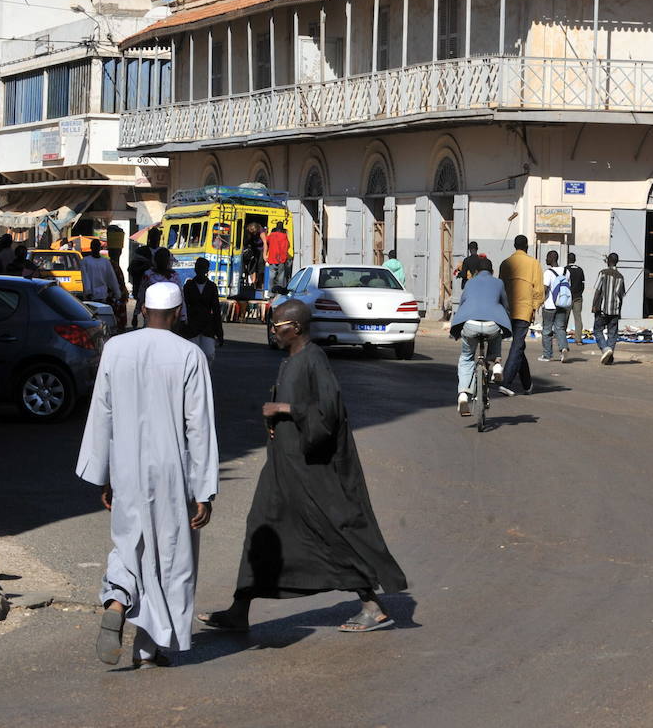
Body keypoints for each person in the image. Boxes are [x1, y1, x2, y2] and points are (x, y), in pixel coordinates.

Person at [199, 300, 407, 635]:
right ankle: (240, 609)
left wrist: (284, 408)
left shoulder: (315, 360)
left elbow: (328, 413)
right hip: (281, 468)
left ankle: (371, 605)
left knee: (327, 532)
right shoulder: (291, 360)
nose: (273, 331)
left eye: (278, 326)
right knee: (260, 530)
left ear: (295, 328)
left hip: (309, 471)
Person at [75, 281, 218, 669]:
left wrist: (103, 472)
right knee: (169, 554)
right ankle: (151, 644)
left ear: (143, 310)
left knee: (129, 543)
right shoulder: (189, 354)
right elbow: (199, 426)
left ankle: (119, 601)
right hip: (173, 470)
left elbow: (102, 412)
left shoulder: (117, 349)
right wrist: (204, 490)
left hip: (126, 465)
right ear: (177, 314)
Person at [449, 265, 512, 413]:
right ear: (492, 271)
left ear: (476, 272)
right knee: (496, 336)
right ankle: (496, 363)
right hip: (492, 324)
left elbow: (462, 302)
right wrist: (507, 322)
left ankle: (463, 394)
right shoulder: (498, 283)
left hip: (470, 324)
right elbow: (506, 305)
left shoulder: (470, 282)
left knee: (466, 358)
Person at [499, 235, 544, 395]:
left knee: (519, 346)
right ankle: (506, 381)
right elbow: (538, 290)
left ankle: (527, 384)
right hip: (524, 310)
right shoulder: (534, 263)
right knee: (517, 346)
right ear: (527, 246)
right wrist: (534, 307)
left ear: (514, 245)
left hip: (507, 310)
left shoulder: (505, 264)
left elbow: (501, 287)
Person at [182, 257, 225, 365]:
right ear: (195, 269)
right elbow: (184, 307)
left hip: (207, 326)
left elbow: (216, 310)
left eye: (203, 268)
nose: (200, 270)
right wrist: (182, 326)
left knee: (209, 353)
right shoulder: (188, 286)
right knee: (192, 356)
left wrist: (219, 332)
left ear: (207, 270)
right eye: (198, 267)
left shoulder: (212, 287)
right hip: (192, 326)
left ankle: (206, 375)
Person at [591, 252, 626, 366]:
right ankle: (609, 358)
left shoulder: (603, 273)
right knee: (612, 334)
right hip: (615, 310)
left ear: (608, 261)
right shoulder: (621, 276)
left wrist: (594, 305)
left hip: (602, 309)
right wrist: (619, 310)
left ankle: (605, 349)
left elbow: (597, 291)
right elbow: (621, 295)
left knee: (597, 330)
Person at [143, 248, 187, 329]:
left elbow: (181, 297)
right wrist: (136, 313)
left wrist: (183, 317)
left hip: (170, 318)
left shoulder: (174, 276)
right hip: (152, 315)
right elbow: (142, 295)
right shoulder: (148, 275)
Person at [128, 227, 162, 328]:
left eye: (158, 237)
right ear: (149, 238)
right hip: (143, 287)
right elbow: (131, 269)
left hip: (158, 289)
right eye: (154, 237)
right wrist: (146, 266)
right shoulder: (141, 252)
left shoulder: (162, 252)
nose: (156, 240)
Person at [540, 250, 570, 363]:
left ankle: (547, 355)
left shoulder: (548, 272)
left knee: (547, 330)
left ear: (552, 258)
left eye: (547, 257)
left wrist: (539, 301)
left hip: (549, 305)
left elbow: (545, 288)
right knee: (560, 328)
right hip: (562, 305)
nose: (546, 260)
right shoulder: (566, 272)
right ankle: (563, 348)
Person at [81, 239, 121, 305]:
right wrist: (117, 294)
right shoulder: (86, 261)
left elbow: (112, 278)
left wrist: (88, 292)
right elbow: (112, 279)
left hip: (96, 296)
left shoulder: (86, 261)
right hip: (98, 296)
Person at [563, 252, 586, 343]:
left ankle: (562, 338)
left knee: (564, 318)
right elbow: (583, 284)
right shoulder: (580, 270)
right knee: (578, 318)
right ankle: (578, 339)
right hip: (578, 297)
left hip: (568, 297)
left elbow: (563, 284)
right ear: (575, 259)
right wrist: (579, 293)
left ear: (568, 259)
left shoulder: (565, 269)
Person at [264, 221, 291, 291]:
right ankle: (279, 293)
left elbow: (266, 241)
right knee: (281, 277)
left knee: (271, 276)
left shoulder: (272, 235)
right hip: (281, 259)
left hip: (272, 258)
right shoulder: (284, 236)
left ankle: (270, 292)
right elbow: (288, 245)